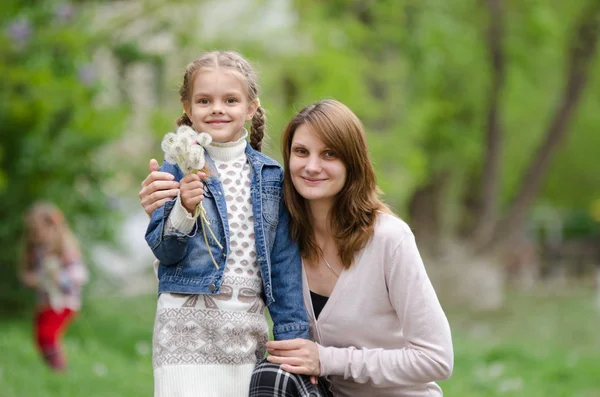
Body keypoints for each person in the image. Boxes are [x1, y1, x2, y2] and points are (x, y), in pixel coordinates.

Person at [140, 98, 453, 396]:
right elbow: (196, 265)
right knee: (272, 376)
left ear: (352, 162)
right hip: (322, 393)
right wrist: (169, 211)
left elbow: (437, 358)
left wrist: (326, 359)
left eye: (329, 154)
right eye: (302, 152)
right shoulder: (278, 236)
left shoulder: (389, 239)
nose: (312, 166)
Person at [143, 51, 310, 397]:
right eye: (204, 100)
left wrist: (294, 340)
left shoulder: (271, 178)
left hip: (243, 331)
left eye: (230, 100)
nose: (217, 108)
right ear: (188, 109)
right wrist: (185, 209)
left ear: (250, 108)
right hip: (183, 330)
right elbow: (165, 251)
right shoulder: (175, 168)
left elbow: (283, 266)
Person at [19, 201, 88, 372]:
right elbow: (34, 274)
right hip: (46, 301)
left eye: (37, 231)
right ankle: (50, 367)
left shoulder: (65, 248)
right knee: (39, 337)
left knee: (47, 334)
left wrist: (60, 278)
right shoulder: (38, 249)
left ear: (52, 227)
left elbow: (80, 274)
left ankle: (59, 369)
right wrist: (31, 279)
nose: (34, 236)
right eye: (32, 232)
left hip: (64, 301)